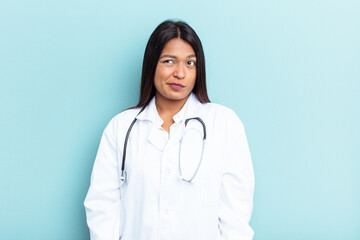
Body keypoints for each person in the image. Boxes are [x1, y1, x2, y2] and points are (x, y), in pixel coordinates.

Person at [84, 19, 255, 240]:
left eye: (190, 63)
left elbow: (236, 214)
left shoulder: (224, 124)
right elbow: (102, 207)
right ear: (152, 64)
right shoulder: (121, 127)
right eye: (169, 61)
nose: (180, 73)